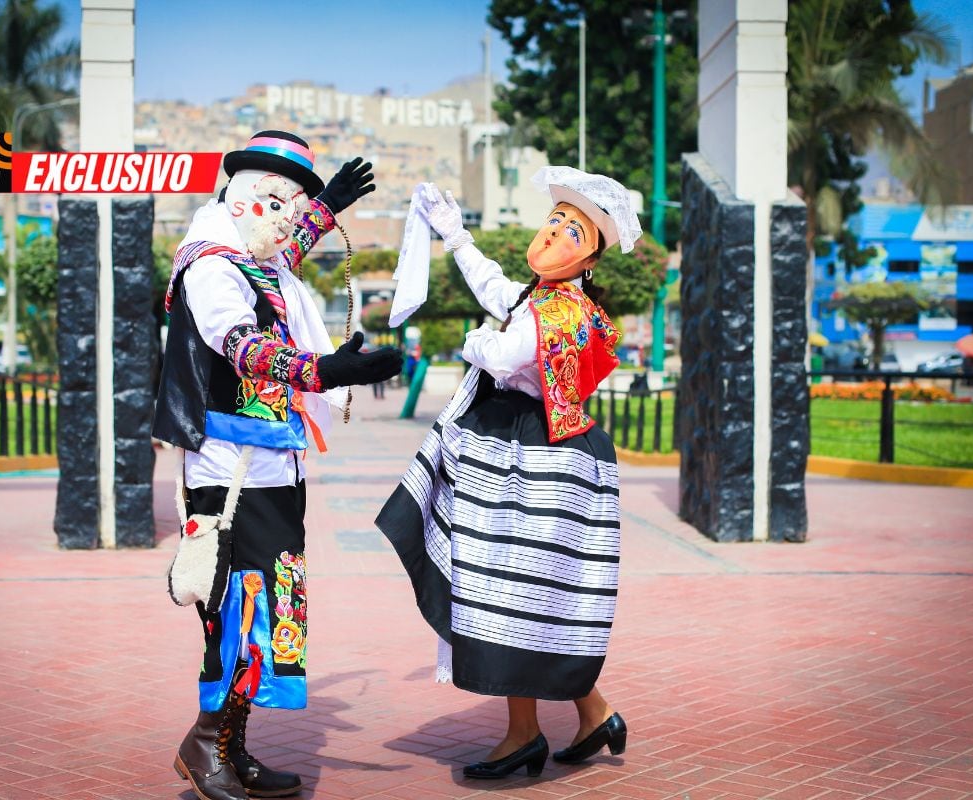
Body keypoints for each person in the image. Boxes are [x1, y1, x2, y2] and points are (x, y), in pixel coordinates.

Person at [153, 130, 403, 800]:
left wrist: (327, 211)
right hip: (228, 476)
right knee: (235, 611)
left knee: (271, 612)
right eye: (280, 205)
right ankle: (205, 744)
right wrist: (324, 370)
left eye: (296, 208)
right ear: (243, 202)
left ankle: (232, 744)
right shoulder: (209, 268)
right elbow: (241, 348)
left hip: (269, 469)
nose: (290, 219)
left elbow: (281, 255)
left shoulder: (251, 261)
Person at [376, 167, 642, 779]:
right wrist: (454, 234)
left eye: (571, 229)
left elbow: (505, 352)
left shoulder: (560, 310)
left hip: (533, 458)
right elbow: (495, 287)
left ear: (590, 256)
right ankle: (592, 713)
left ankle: (525, 732)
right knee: (531, 595)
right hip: (533, 450)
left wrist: (471, 342)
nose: (553, 233)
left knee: (512, 589)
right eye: (554, 219)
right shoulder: (543, 298)